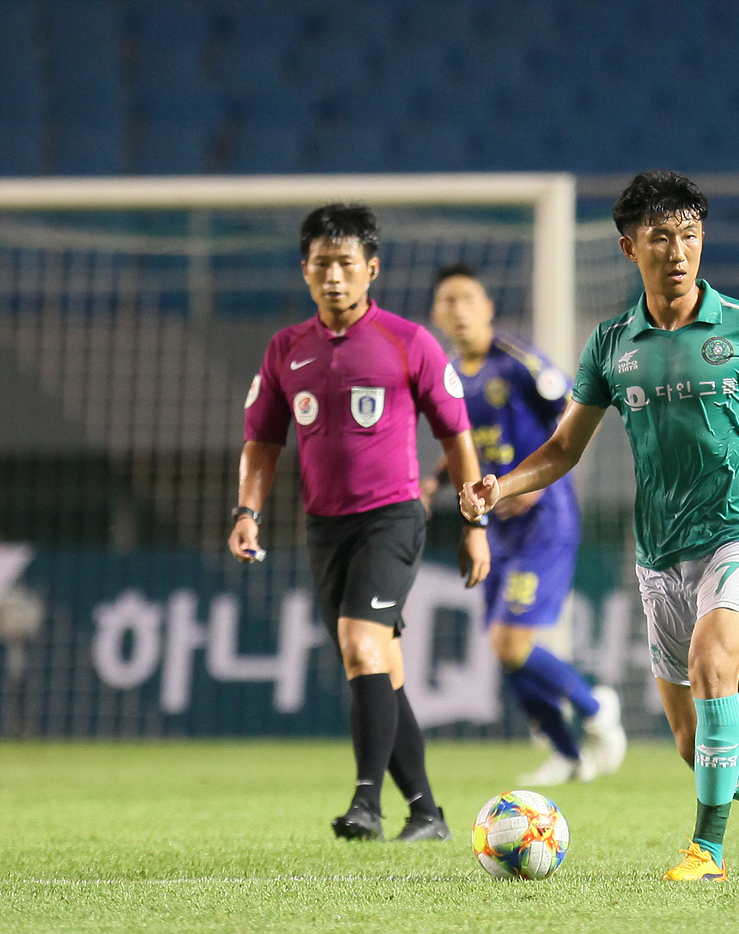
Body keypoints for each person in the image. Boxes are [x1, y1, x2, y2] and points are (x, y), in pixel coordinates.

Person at [461, 170, 739, 881]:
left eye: (690, 234)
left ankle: (707, 852)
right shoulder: (611, 343)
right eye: (661, 236)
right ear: (630, 248)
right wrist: (499, 486)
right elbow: (564, 448)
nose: (678, 250)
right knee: (694, 745)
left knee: (713, 665)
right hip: (660, 551)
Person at [230, 203, 490, 843]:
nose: (333, 276)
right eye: (322, 264)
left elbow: (456, 438)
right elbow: (262, 442)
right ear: (305, 270)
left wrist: (474, 524)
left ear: (371, 269)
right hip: (324, 527)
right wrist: (246, 512)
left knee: (357, 644)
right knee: (380, 668)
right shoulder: (286, 349)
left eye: (346, 263)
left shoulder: (409, 341)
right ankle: (427, 813)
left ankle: (366, 803)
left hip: (392, 518)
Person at [427, 262, 626, 785]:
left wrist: (535, 482)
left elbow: (572, 410)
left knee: (509, 643)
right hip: (496, 526)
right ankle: (569, 755)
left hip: (543, 519)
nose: (459, 309)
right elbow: (465, 447)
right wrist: (433, 482)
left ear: (488, 307)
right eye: (448, 301)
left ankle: (596, 708)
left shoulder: (516, 360)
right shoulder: (450, 377)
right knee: (504, 649)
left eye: (468, 298)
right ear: (437, 315)